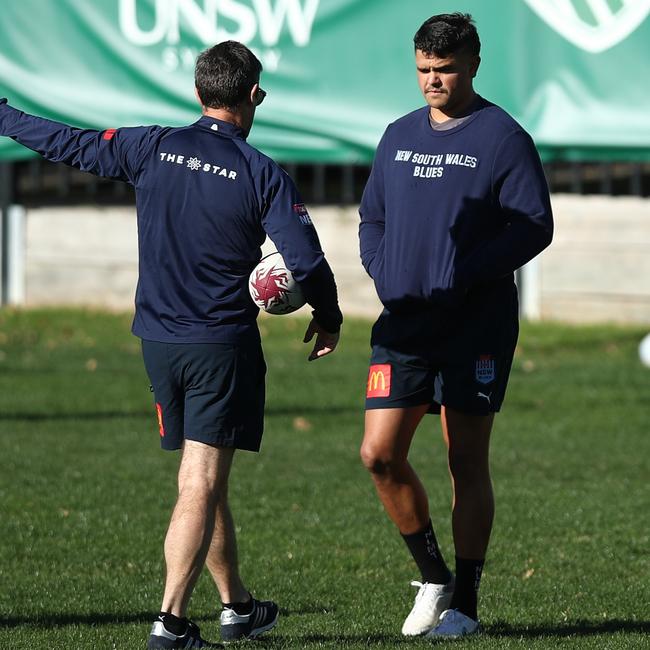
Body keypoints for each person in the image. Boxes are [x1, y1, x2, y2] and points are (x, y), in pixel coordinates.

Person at [0, 40, 342, 648]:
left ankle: (236, 607)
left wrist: (3, 115)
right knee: (199, 482)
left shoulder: (152, 146)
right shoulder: (261, 172)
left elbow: (66, 142)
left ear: (199, 92)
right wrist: (330, 314)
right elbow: (307, 262)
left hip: (157, 342)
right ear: (253, 95)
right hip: (219, 347)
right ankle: (171, 622)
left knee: (203, 479)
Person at [358, 13, 553, 640]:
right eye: (422, 70)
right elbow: (372, 219)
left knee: (464, 460)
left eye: (443, 69)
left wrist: (464, 272)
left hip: (475, 327)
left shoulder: (503, 137)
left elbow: (533, 225)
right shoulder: (397, 136)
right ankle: (433, 576)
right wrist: (383, 270)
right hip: (404, 322)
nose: (432, 81)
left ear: (472, 64)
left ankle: (465, 603)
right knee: (378, 454)